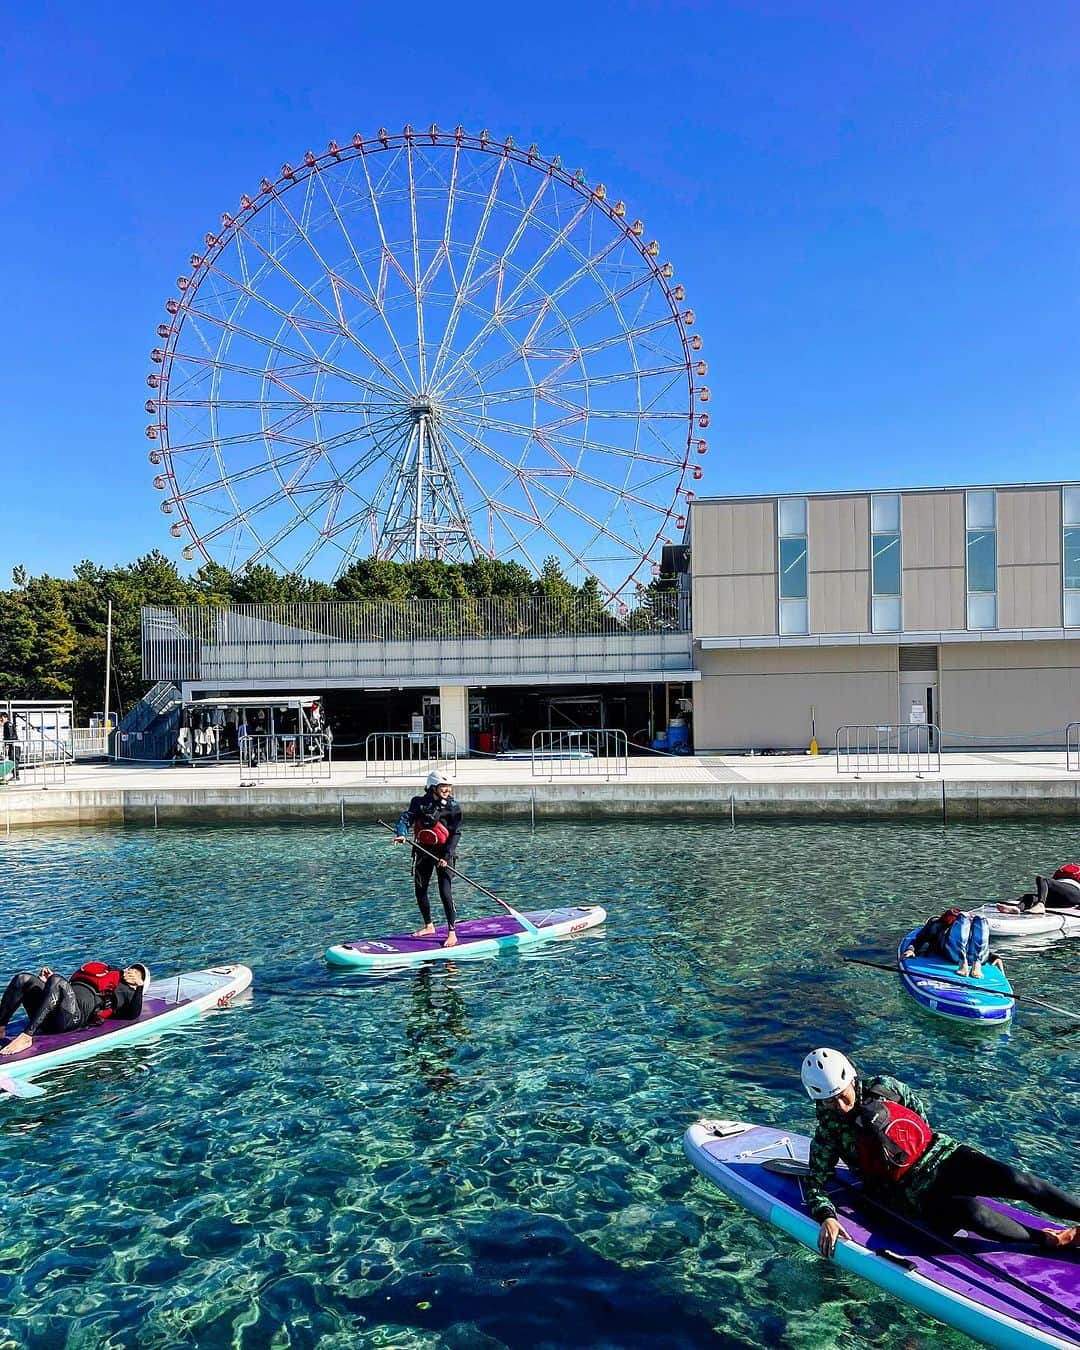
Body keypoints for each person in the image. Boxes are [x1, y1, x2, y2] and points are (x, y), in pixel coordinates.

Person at [801, 1047, 1080, 1257]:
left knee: (1019, 1180)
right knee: (972, 1214)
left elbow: (919, 1120)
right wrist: (827, 1216)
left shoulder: (886, 1087)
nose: (839, 1105)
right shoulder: (828, 1134)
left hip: (943, 1155)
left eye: (841, 1094)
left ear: (851, 1077)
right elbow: (815, 1184)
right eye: (828, 1101)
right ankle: (1050, 1240)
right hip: (910, 1193)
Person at [0, 961, 151, 1056]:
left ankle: (27, 1037)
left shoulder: (129, 994)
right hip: (53, 1012)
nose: (133, 972)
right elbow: (71, 990)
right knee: (23, 978)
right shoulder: (111, 973)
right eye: (133, 969)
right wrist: (47, 986)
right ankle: (1, 1027)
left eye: (139, 974)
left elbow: (133, 1014)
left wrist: (139, 987)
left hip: (72, 1019)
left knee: (57, 980)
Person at [394, 770, 463, 948]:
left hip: (443, 854)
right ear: (433, 787)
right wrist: (401, 834)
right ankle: (428, 926)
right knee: (420, 889)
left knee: (445, 892)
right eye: (443, 787)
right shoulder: (418, 802)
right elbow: (406, 819)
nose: (447, 790)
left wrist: (446, 856)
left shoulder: (453, 807)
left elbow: (455, 834)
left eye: (449, 787)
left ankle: (452, 932)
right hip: (423, 851)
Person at [900, 907, 996, 979]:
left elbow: (979, 943)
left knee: (978, 921)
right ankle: (966, 963)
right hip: (960, 954)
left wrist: (994, 958)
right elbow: (919, 939)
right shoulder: (938, 925)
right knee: (969, 922)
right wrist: (910, 950)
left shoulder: (970, 929)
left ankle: (973, 964)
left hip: (968, 956)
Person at [999, 868, 1080, 915]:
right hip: (1062, 900)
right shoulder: (1060, 881)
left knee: (1043, 879)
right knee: (1029, 897)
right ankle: (1017, 908)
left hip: (1074, 892)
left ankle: (1040, 905)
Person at [0, 711, 20, 781]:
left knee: (14, 759)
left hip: (13, 744)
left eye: (1, 718)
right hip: (13, 744)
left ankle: (16, 776)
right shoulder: (8, 724)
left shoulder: (7, 724)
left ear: (5, 717)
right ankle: (15, 775)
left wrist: (7, 743)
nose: (0, 720)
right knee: (12, 759)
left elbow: (10, 735)